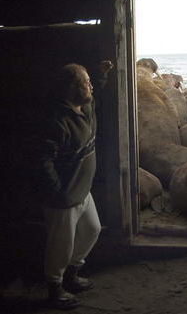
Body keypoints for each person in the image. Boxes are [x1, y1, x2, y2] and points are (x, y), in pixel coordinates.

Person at [36, 61, 113, 310]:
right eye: (85, 82)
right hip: (64, 197)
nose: (90, 86)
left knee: (92, 229)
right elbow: (41, 159)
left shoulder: (85, 108)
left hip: (82, 190)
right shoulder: (55, 121)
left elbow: (94, 94)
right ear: (71, 87)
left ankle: (72, 273)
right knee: (60, 246)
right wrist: (57, 191)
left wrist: (100, 77)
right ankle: (55, 288)